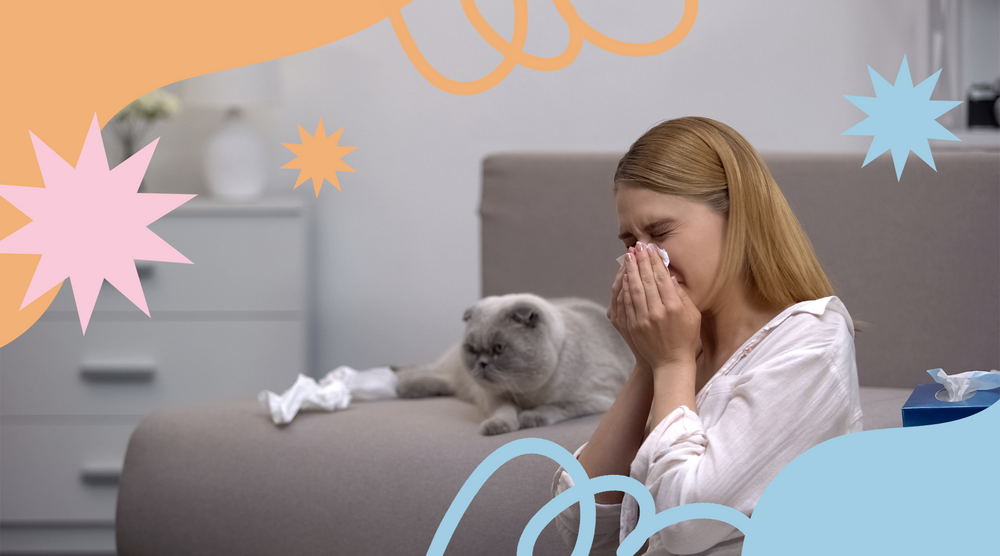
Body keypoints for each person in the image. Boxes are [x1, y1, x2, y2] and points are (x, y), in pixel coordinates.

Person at [551, 117, 863, 555]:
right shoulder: (684, 340)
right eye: (630, 243)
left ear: (738, 218)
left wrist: (672, 364)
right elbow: (578, 523)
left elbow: (682, 527)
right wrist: (648, 363)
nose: (645, 260)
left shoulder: (810, 343)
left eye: (659, 233)